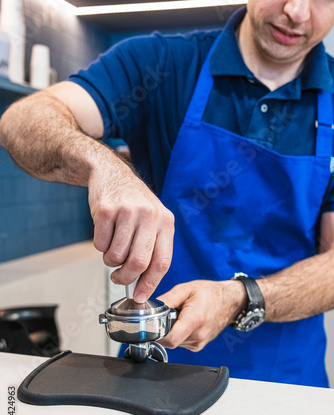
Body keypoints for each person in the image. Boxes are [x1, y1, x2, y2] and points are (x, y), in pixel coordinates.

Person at [1, 0, 334, 386]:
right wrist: (106, 167)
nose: (296, 11)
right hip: (159, 372)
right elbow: (22, 120)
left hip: (286, 381)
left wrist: (238, 298)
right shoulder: (161, 63)